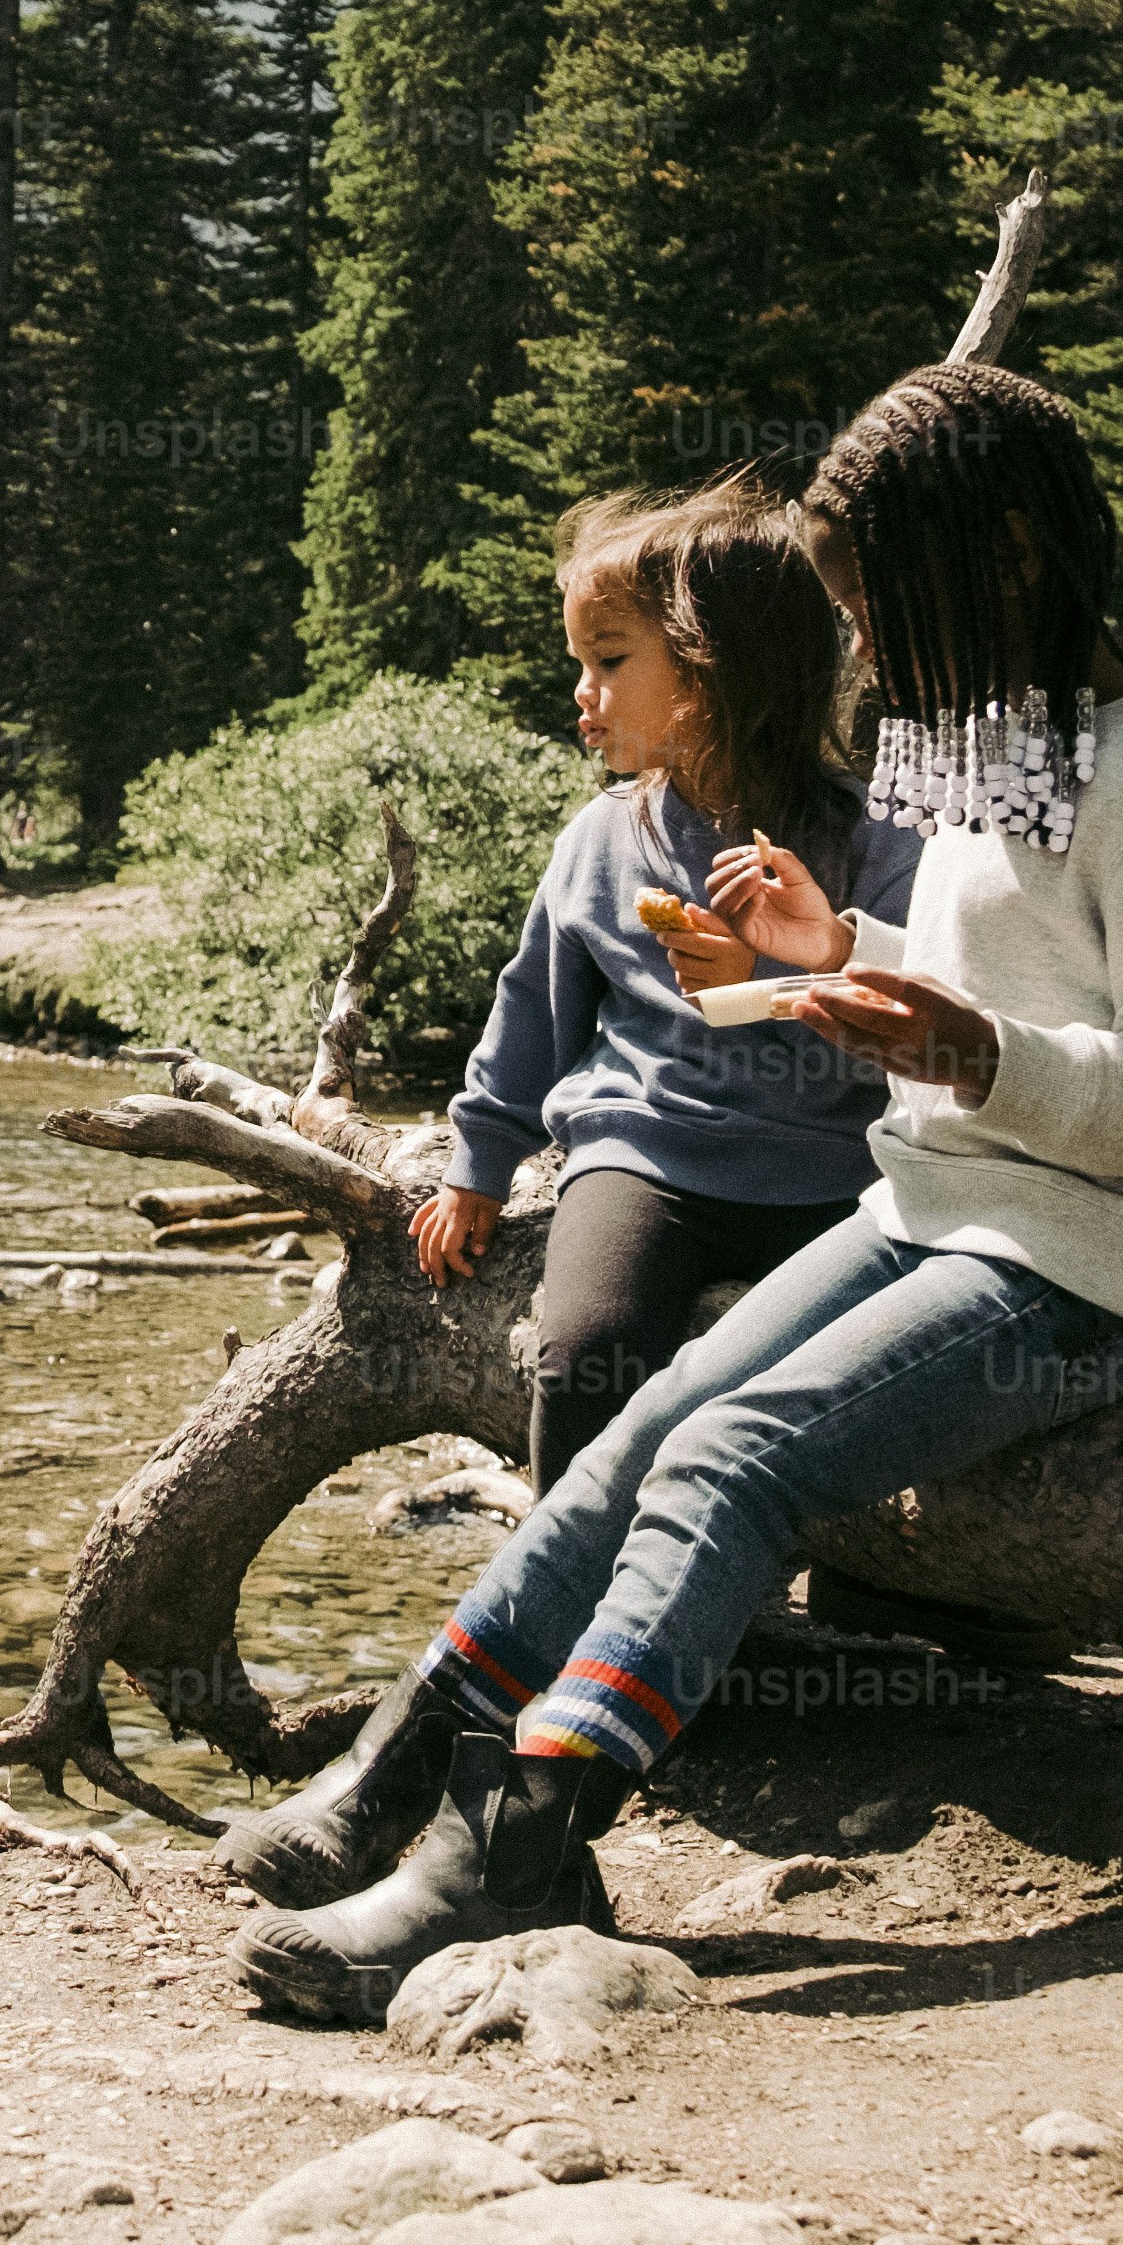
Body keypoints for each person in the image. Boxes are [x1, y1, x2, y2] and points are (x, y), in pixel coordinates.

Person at [225, 360, 1123, 2021]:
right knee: (643, 1428)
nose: (862, 652)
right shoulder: (1019, 752)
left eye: (879, 611)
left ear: (1006, 561)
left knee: (734, 1458)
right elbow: (1021, 988)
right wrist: (845, 947)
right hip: (948, 1203)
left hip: (1101, 1254)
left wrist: (972, 1050)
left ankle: (521, 1848)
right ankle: (402, 1767)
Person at [405, 486, 917, 1504]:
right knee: (585, 1351)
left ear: (712, 669)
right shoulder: (601, 839)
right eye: (579, 663)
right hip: (647, 1159)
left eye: (609, 660)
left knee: (855, 1394)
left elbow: (907, 1035)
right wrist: (479, 1161)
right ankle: (566, 1575)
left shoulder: (877, 839)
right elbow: (534, 1009)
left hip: (835, 1176)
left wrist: (764, 979)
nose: (582, 693)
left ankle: (832, 1575)